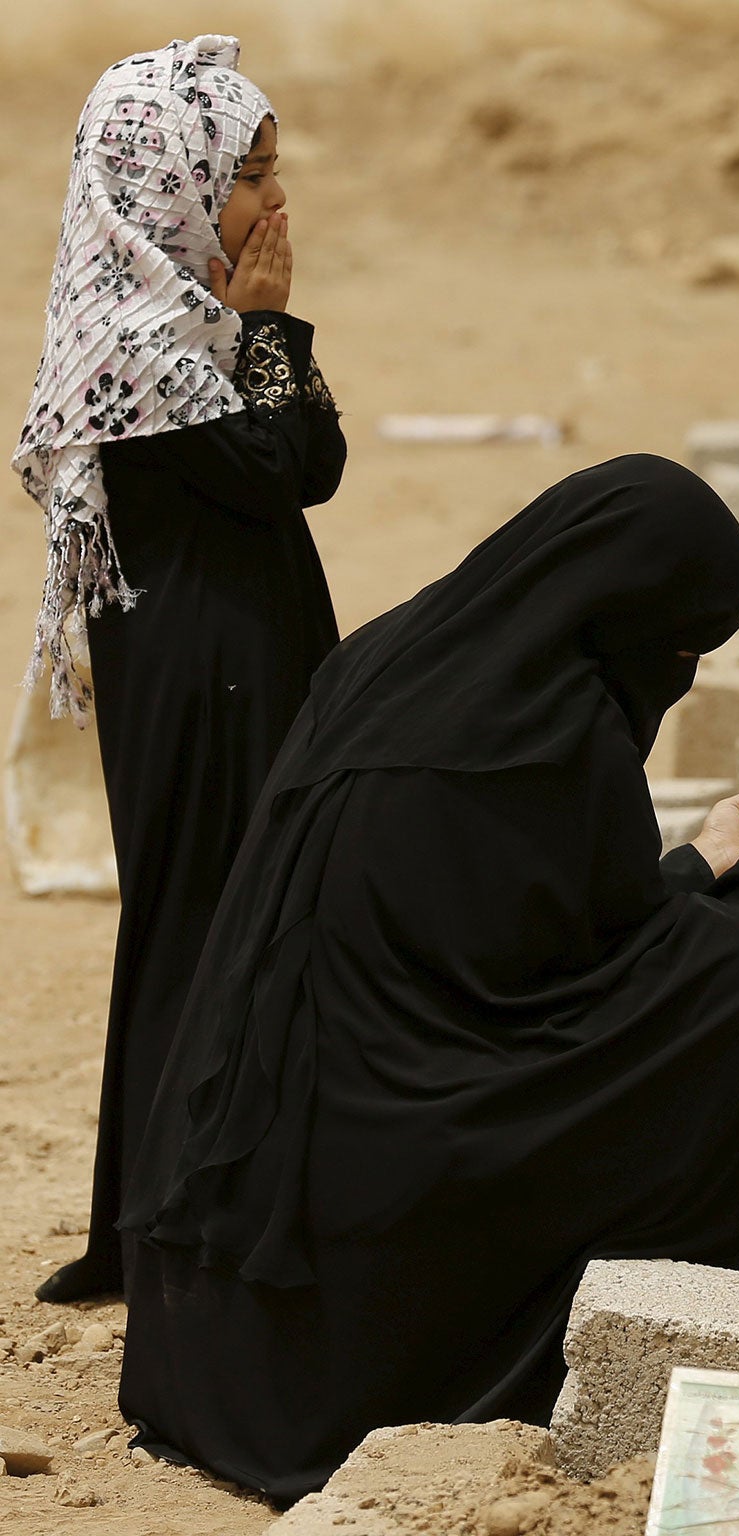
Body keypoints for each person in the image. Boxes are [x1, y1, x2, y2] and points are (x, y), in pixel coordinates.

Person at [116, 455, 739, 1500]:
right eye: (676, 645)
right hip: (374, 1241)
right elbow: (590, 992)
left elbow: (526, 947)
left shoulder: (394, 659)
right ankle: (725, 1343)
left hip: (250, 1242)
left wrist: (701, 865)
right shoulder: (554, 734)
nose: (676, 672)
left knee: (718, 945)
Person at [12, 36, 344, 1305]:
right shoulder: (143, 345)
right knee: (205, 924)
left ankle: (169, 1219)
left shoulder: (183, 322)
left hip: (229, 655)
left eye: (272, 168)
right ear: (172, 181)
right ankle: (157, 1231)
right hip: (204, 674)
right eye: (251, 172)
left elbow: (305, 461)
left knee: (230, 921)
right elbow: (283, 468)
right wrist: (268, 332)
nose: (274, 202)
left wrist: (263, 335)